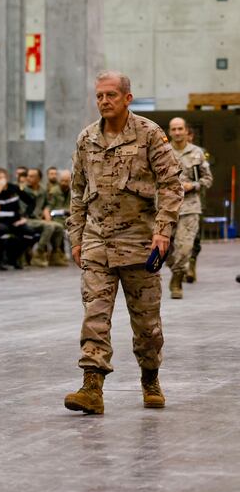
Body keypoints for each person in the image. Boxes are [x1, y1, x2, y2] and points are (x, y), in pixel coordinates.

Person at [64, 71, 182, 415]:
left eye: (111, 95)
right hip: (97, 243)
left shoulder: (149, 135)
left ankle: (150, 377)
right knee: (95, 315)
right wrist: (76, 236)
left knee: (147, 326)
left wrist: (163, 230)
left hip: (140, 244)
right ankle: (92, 386)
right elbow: (76, 192)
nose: (104, 101)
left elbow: (171, 184)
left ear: (127, 98)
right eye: (99, 96)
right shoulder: (86, 139)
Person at [164, 117, 212, 299]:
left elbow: (208, 179)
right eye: (174, 129)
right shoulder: (162, 152)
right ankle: (176, 269)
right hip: (166, 207)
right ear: (169, 132)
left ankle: (177, 279)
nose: (177, 132)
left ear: (186, 131)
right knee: (164, 248)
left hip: (190, 206)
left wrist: (193, 185)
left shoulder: (197, 153)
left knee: (185, 248)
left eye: (180, 129)